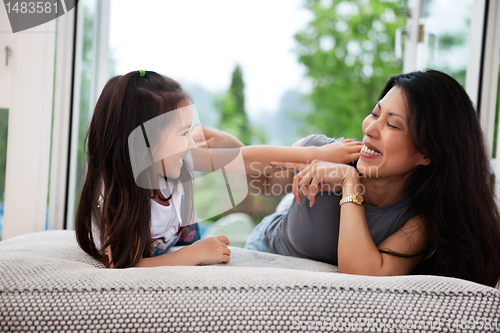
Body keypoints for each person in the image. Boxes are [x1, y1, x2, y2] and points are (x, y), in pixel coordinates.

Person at [75, 70, 361, 269]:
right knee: (224, 232)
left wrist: (313, 154)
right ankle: (279, 214)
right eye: (183, 132)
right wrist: (194, 254)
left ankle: (283, 210)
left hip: (181, 232)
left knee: (225, 225)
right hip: (178, 241)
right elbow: (124, 264)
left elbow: (242, 157)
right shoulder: (116, 199)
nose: (192, 141)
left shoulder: (171, 157)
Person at [242, 70, 500, 288]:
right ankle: (288, 206)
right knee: (286, 198)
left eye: (393, 125)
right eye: (375, 114)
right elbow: (254, 177)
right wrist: (312, 154)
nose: (369, 128)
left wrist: (349, 182)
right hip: (266, 248)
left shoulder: (420, 218)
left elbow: (362, 278)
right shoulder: (327, 152)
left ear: (427, 153)